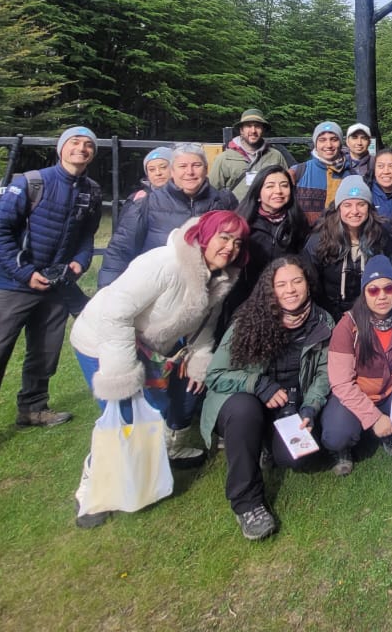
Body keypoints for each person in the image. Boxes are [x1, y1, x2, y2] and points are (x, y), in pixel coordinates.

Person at [0, 126, 103, 480]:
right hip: (12, 285)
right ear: (61, 149)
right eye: (75, 142)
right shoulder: (29, 182)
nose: (82, 149)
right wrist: (24, 273)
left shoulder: (91, 191)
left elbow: (87, 235)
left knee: (45, 352)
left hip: (57, 285)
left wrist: (79, 263)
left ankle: (33, 408)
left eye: (88, 145)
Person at [69, 210, 249, 527]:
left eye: (237, 242)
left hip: (149, 348)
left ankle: (162, 453)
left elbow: (203, 327)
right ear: (204, 235)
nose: (229, 247)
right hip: (101, 341)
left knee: (161, 406)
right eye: (223, 237)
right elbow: (115, 313)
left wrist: (198, 361)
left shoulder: (220, 278)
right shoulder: (164, 263)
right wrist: (123, 373)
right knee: (122, 417)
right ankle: (92, 489)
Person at [201, 255, 334, 540]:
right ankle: (247, 502)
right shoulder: (249, 320)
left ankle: (265, 445)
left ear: (308, 285)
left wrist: (311, 407)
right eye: (281, 284)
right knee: (245, 410)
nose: (290, 290)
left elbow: (324, 373)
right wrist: (257, 383)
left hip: (289, 406)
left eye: (297, 281)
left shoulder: (323, 321)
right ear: (270, 290)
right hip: (242, 403)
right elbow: (214, 374)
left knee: (298, 461)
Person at [98, 143, 235, 288]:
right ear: (173, 171)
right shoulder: (146, 204)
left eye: (196, 165)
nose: (190, 172)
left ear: (206, 169)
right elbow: (120, 251)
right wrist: (107, 291)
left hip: (210, 290)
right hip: (157, 289)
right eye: (182, 166)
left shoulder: (224, 202)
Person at [320, 255, 392, 475]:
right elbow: (341, 384)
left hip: (391, 392)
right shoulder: (347, 326)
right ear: (364, 293)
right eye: (373, 290)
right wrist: (374, 418)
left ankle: (389, 432)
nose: (382, 296)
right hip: (356, 395)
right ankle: (343, 449)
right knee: (336, 435)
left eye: (388, 288)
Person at [222, 164, 311, 334]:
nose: (278, 191)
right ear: (258, 194)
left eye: (284, 185)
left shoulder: (298, 224)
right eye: (270, 186)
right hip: (246, 306)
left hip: (285, 303)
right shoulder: (242, 225)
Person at [304, 175, 392, 320]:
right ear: (339, 208)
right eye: (347, 205)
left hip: (370, 313)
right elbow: (311, 284)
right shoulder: (320, 239)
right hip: (330, 314)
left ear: (369, 207)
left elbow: (389, 277)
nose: (354, 211)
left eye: (361, 204)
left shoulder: (380, 237)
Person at [210, 109, 288, 202]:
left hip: (267, 214)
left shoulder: (276, 156)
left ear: (263, 130)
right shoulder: (224, 158)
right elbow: (212, 192)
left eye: (257, 126)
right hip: (236, 213)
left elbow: (285, 186)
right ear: (241, 130)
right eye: (248, 126)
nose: (253, 130)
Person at [291, 121, 354, 226]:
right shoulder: (298, 171)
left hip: (339, 238)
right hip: (303, 239)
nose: (328, 145)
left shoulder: (351, 176)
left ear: (340, 143)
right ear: (315, 143)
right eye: (322, 140)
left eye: (334, 139)